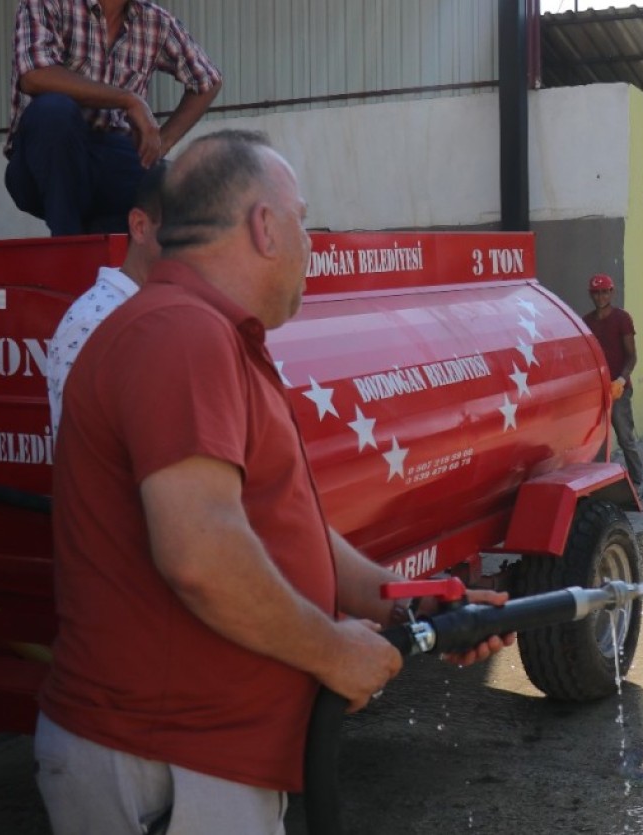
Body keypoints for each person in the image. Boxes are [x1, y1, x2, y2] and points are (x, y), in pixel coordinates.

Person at [36, 130, 510, 835]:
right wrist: (331, 650)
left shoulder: (207, 334)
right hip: (171, 764)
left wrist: (411, 607)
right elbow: (200, 553)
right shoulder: (181, 334)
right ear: (264, 226)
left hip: (195, 760)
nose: (310, 243)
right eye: (304, 220)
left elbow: (285, 534)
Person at [5, 0, 224, 237]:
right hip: (40, 162)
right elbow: (34, 76)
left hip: (108, 157)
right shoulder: (49, 4)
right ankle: (67, 245)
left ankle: (110, 253)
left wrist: (162, 142)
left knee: (173, 188)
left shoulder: (155, 21)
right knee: (54, 111)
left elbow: (207, 81)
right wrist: (128, 99)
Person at [45, 160, 166, 433]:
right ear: (139, 225)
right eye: (184, 230)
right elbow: (86, 449)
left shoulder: (175, 309)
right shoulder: (94, 323)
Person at [582, 274, 642, 495]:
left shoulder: (622, 319)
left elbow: (632, 356)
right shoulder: (586, 322)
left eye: (605, 291)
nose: (601, 296)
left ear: (612, 293)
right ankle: (596, 483)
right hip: (596, 389)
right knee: (594, 439)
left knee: (625, 436)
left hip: (618, 389)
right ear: (591, 295)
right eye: (596, 293)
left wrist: (621, 380)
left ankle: (637, 482)